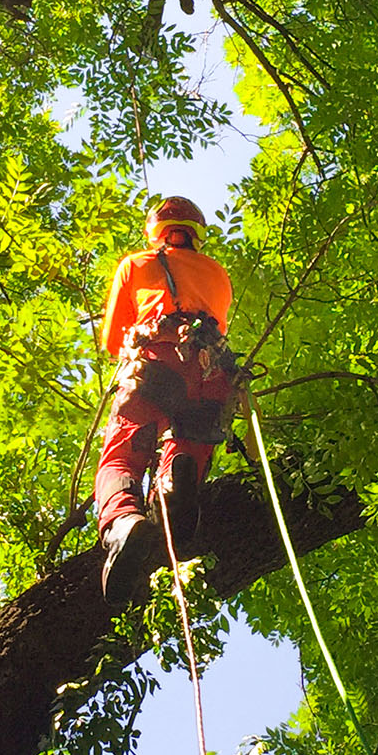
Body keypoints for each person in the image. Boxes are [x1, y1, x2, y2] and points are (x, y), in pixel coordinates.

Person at [94, 195, 242, 600]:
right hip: (211, 374)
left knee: (123, 452)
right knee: (189, 439)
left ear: (155, 230)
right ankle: (176, 483)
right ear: (197, 233)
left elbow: (113, 340)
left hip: (156, 361)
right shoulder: (218, 274)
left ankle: (124, 521)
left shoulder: (136, 264)